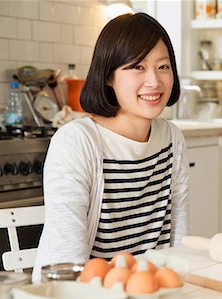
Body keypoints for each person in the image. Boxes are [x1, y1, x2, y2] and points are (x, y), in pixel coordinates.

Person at [32, 13, 189, 282]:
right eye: (137, 67)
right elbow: (67, 260)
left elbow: (179, 243)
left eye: (163, 67)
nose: (154, 81)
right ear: (108, 77)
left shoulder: (172, 140)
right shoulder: (77, 143)